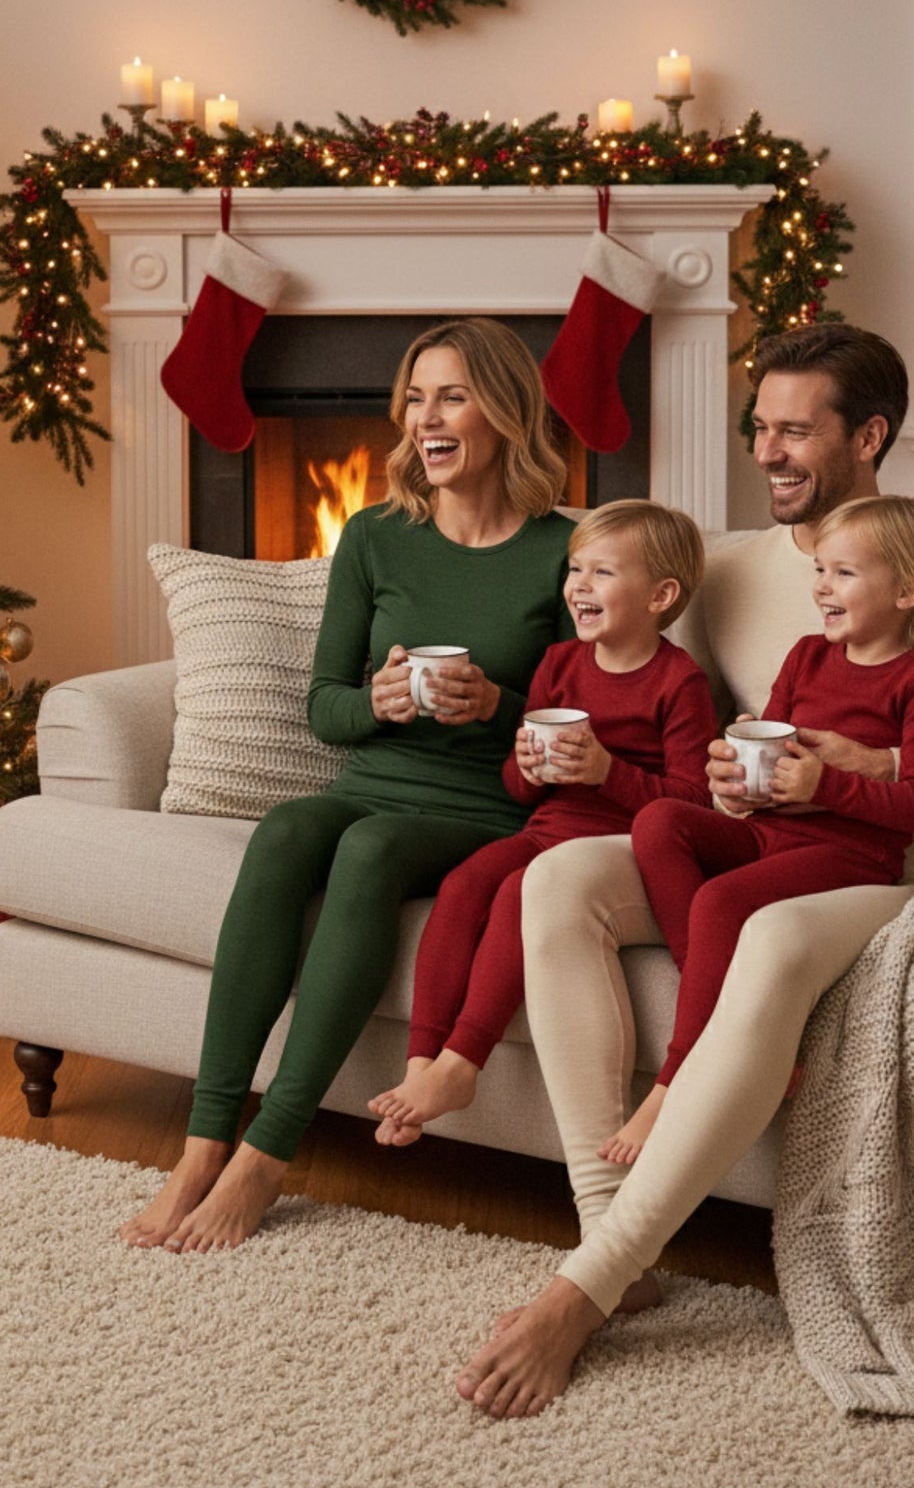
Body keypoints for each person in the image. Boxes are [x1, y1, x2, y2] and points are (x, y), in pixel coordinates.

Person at [455, 322, 914, 1419]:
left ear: (868, 437)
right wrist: (714, 777)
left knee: (772, 934)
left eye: (795, 430)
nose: (766, 451)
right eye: (760, 426)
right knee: (554, 881)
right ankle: (610, 1231)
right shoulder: (733, 565)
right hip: (762, 836)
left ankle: (583, 1289)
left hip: (883, 863)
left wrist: (865, 768)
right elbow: (674, 713)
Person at [120, 317, 575, 1255]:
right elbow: (325, 707)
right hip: (373, 776)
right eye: (414, 399)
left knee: (367, 849)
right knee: (287, 830)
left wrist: (496, 703)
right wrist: (378, 701)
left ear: (503, 411)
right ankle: (203, 1146)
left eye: (451, 397)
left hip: (485, 805)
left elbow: (583, 719)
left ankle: (268, 1152)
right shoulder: (374, 536)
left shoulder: (564, 550)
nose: (425, 418)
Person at [603, 495, 914, 1166]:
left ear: (908, 591)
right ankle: (727, 1009)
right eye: (819, 570)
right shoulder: (805, 656)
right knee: (660, 821)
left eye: (844, 573)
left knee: (720, 900)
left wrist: (825, 785)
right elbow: (771, 745)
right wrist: (736, 773)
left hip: (851, 855)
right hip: (770, 833)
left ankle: (675, 1079)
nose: (821, 586)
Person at [367, 500, 716, 1145]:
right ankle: (422, 1064)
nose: (579, 586)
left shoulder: (679, 683)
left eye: (602, 572)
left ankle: (463, 1062)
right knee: (464, 884)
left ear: (661, 596)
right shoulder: (559, 664)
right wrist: (526, 767)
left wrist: (607, 771)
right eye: (575, 569)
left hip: (613, 853)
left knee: (514, 895)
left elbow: (694, 804)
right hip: (546, 832)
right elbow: (520, 786)